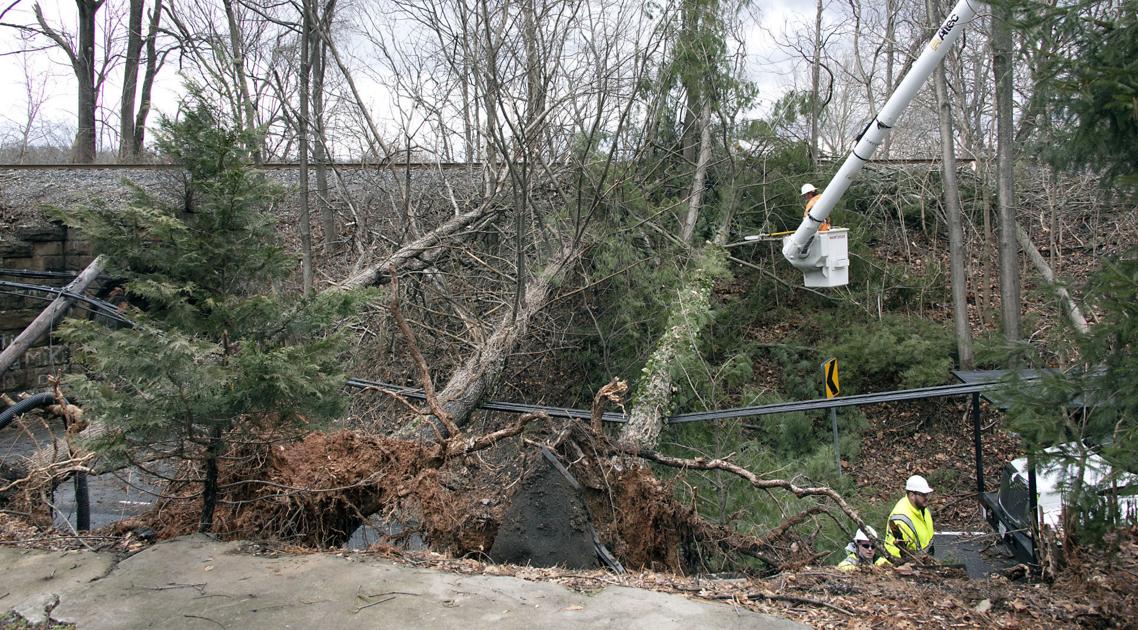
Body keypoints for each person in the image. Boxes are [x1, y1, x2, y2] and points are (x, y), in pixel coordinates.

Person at [884, 474, 935, 561]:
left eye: (927, 494)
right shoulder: (901, 519)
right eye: (923, 495)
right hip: (908, 564)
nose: (927, 498)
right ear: (911, 495)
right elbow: (895, 553)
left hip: (925, 560)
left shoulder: (921, 508)